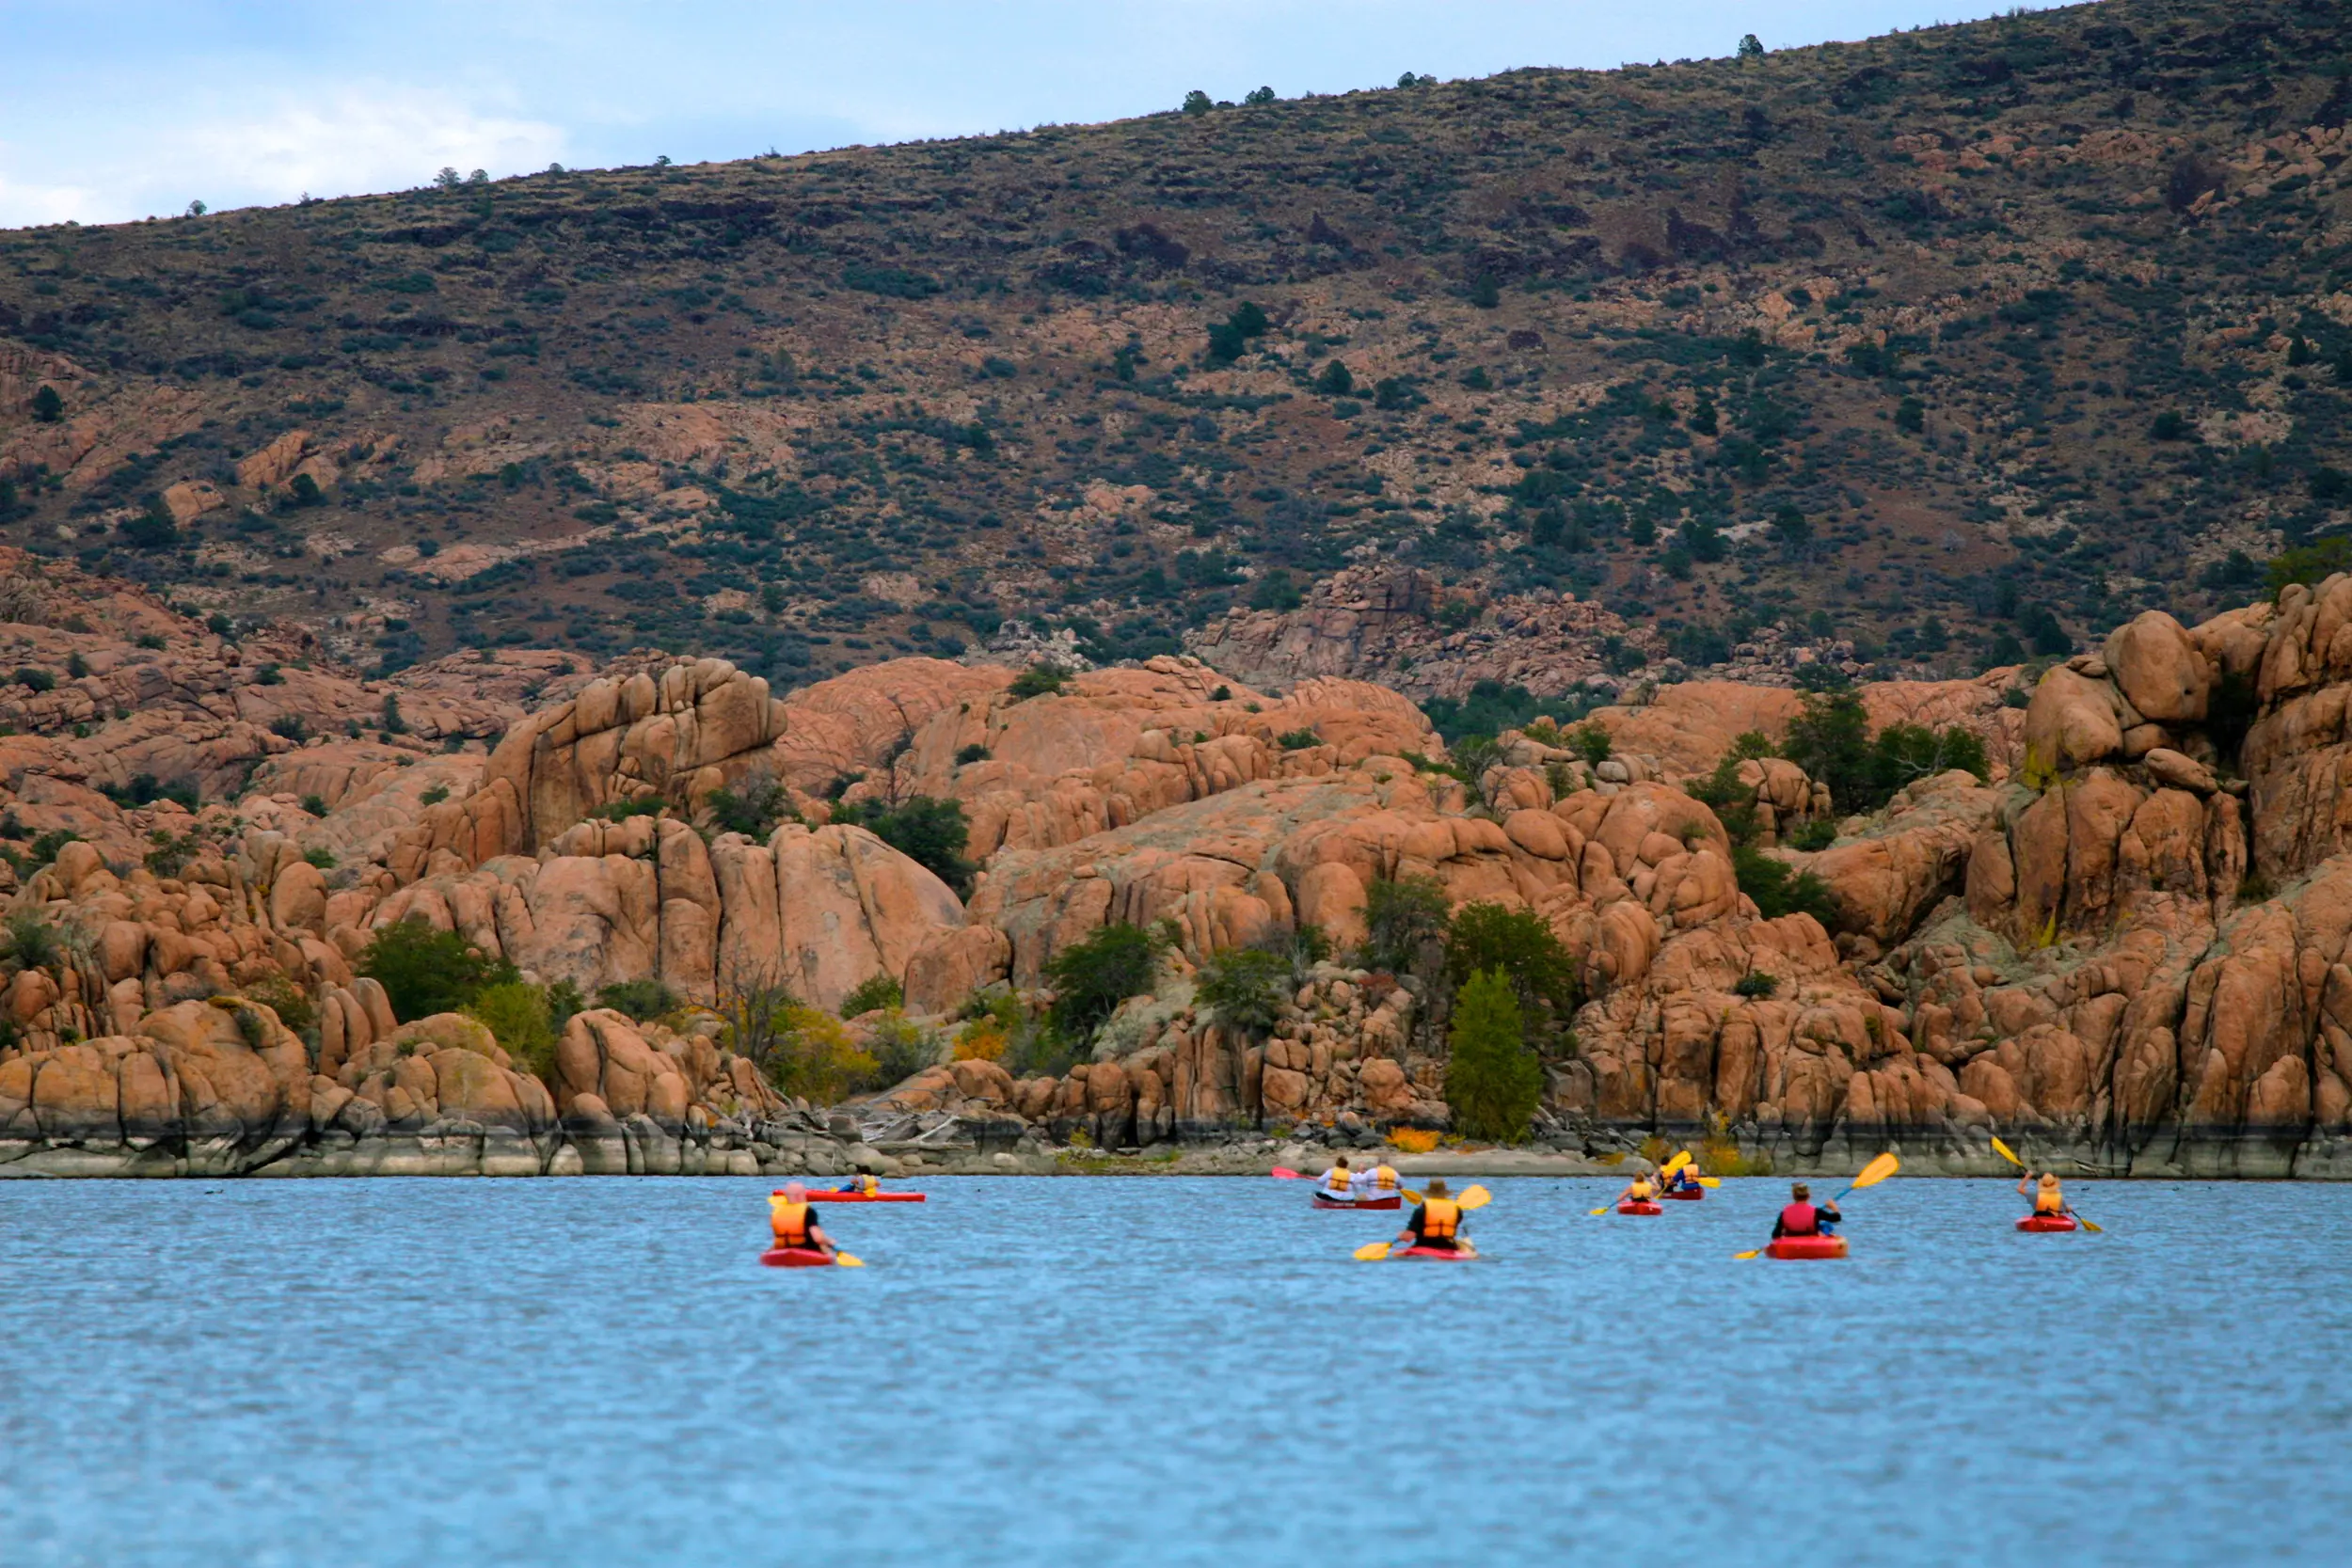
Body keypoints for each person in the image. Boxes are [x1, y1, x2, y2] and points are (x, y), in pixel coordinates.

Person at [1392, 1177, 1476, 1257]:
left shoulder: (1422, 1209)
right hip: (1449, 1247)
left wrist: (1401, 1235)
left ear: (1429, 1193)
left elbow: (1409, 1237)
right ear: (1445, 1192)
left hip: (1423, 1246)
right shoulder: (1457, 1210)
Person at [768, 1182, 839, 1259]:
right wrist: (830, 1242)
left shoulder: (776, 1211)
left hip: (782, 1250)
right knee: (826, 1248)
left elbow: (777, 1237)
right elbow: (818, 1238)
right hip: (806, 1249)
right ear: (800, 1195)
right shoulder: (808, 1211)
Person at [1772, 1180, 1840, 1239]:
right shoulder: (1816, 1211)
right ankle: (1825, 1235)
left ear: (1793, 1196)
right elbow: (1836, 1218)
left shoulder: (1784, 1213)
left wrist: (1783, 1231)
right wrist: (1833, 1207)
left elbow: (1775, 1235)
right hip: (1812, 1238)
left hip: (1791, 1238)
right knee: (1827, 1225)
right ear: (1809, 1196)